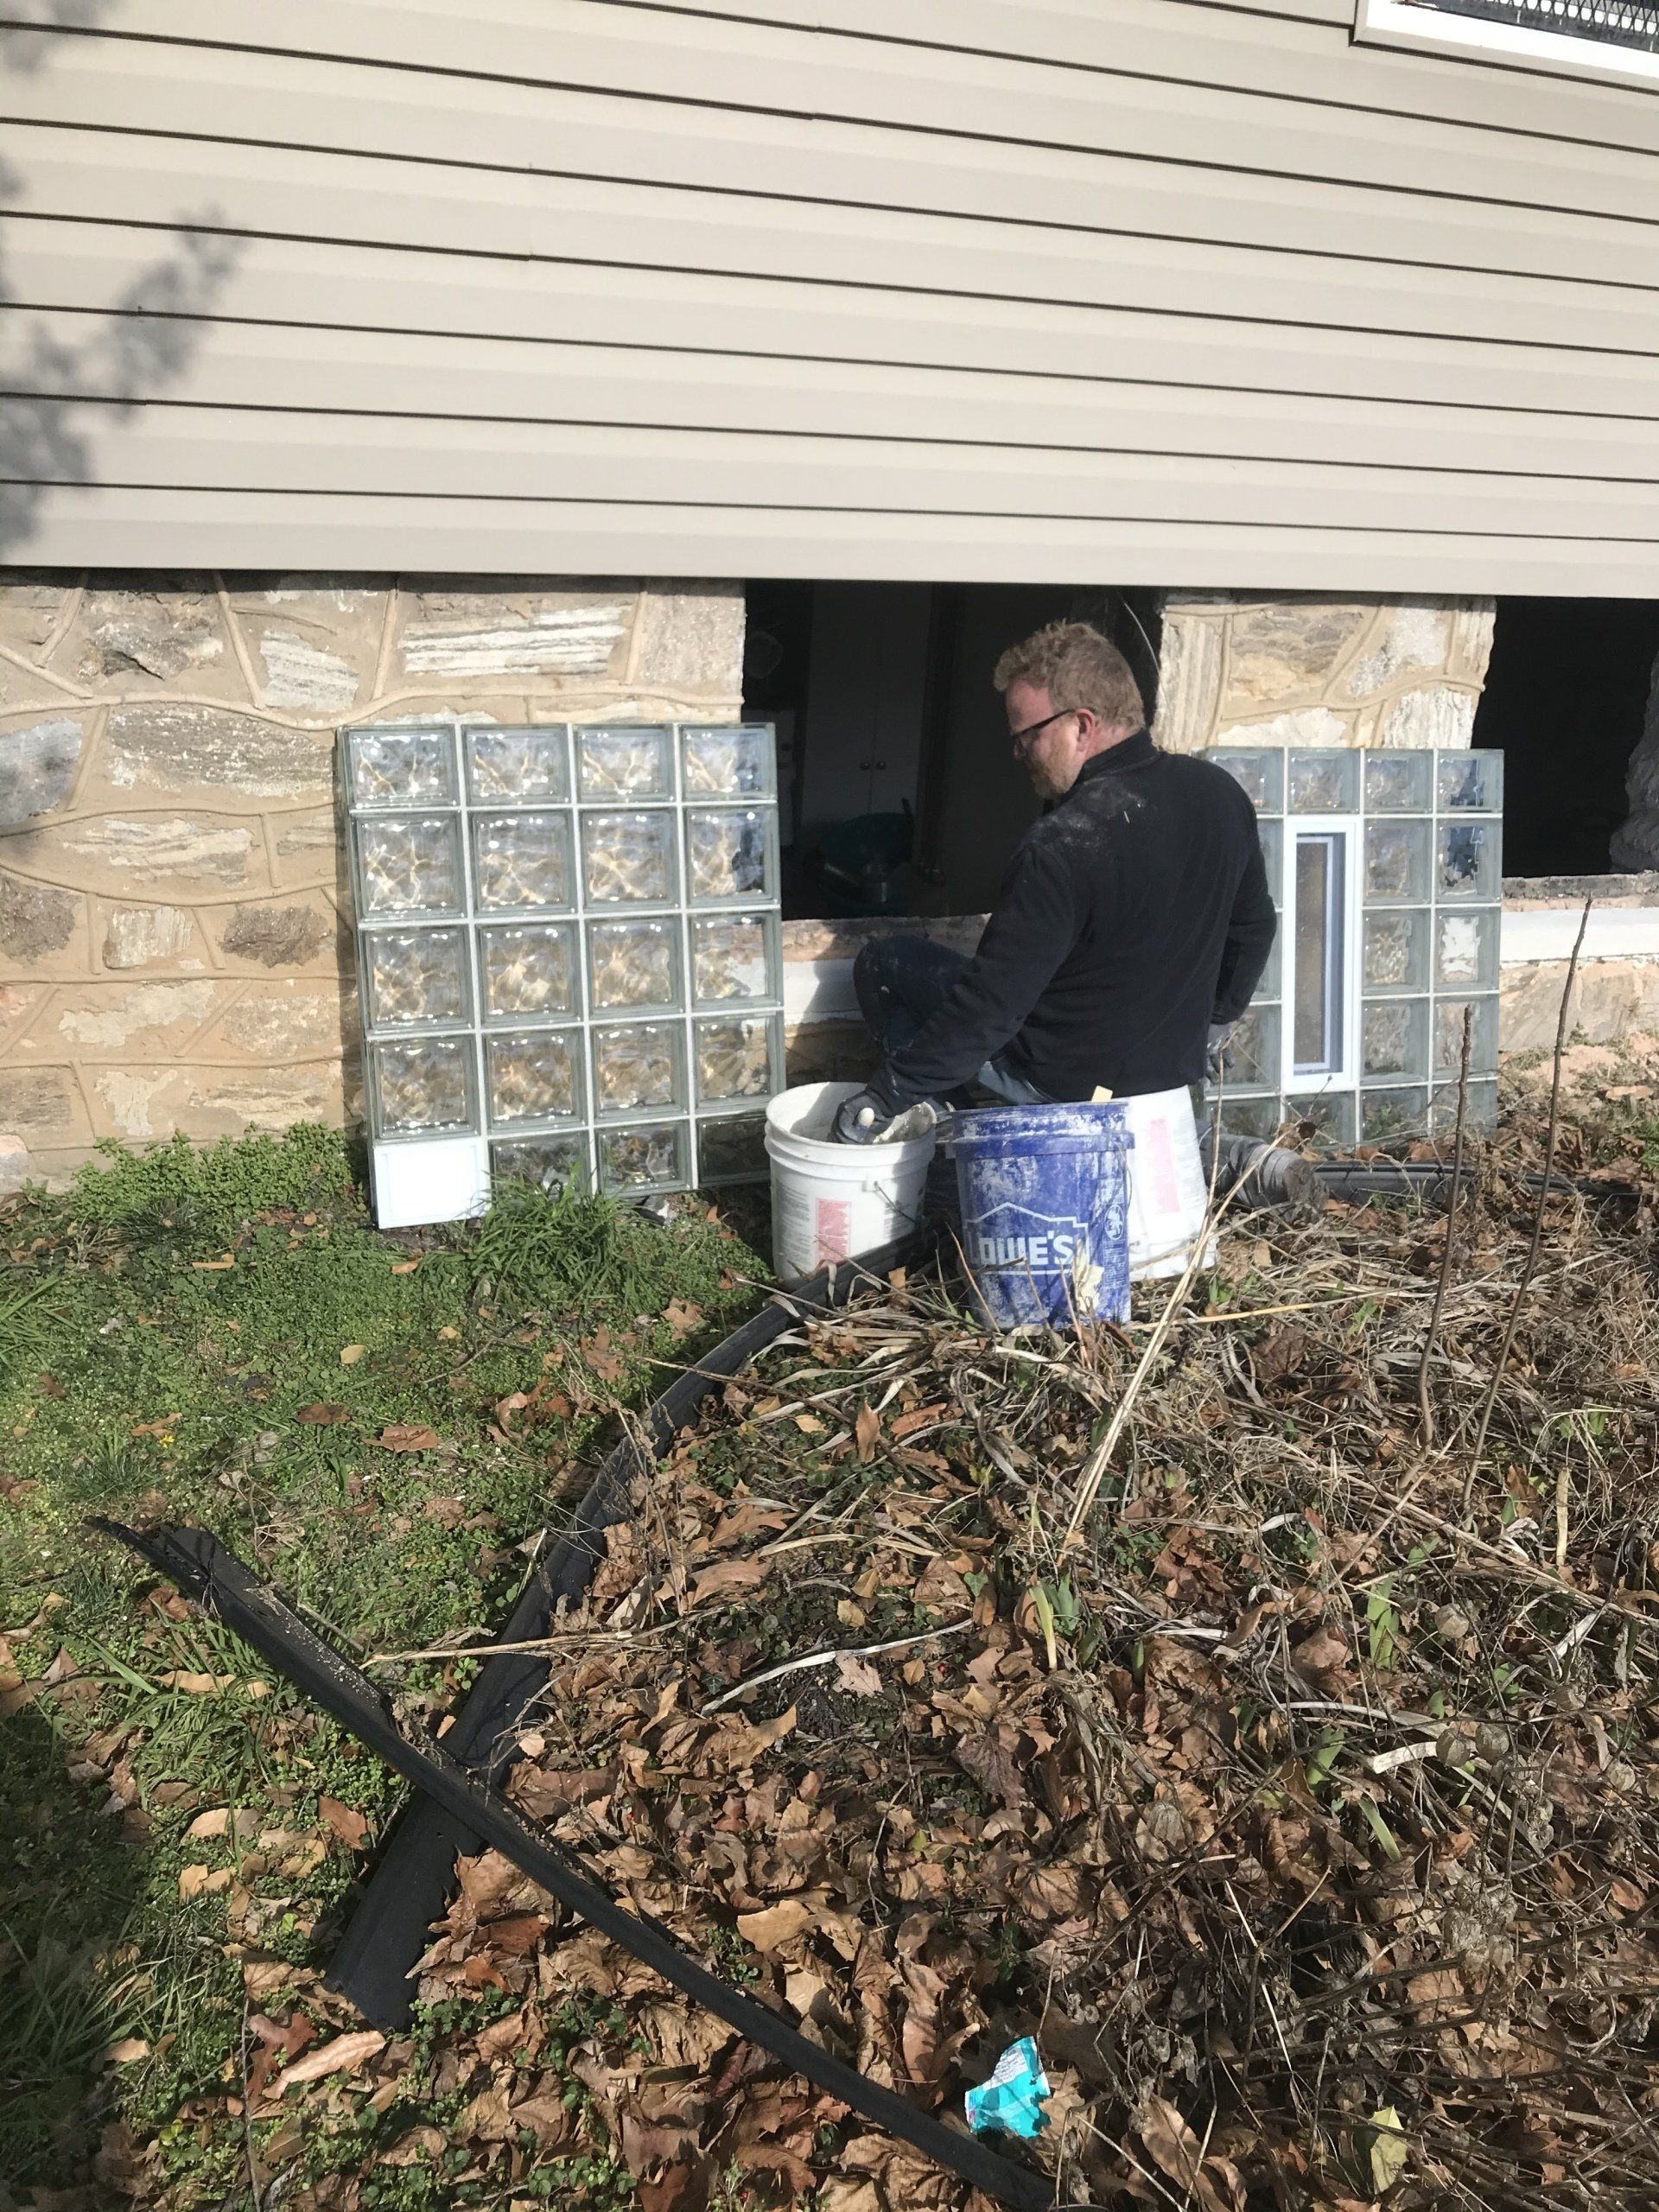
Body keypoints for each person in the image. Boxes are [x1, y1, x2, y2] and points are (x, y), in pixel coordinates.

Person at [833, 620, 1277, 1142]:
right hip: (1168, 1081)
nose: (1018, 753)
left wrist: (888, 1094)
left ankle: (955, 1144)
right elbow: (1255, 929)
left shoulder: (1065, 843)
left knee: (884, 962)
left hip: (1064, 1090)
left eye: (1027, 736)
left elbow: (991, 1009)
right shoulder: (1220, 795)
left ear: (1082, 726)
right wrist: (1212, 1023)